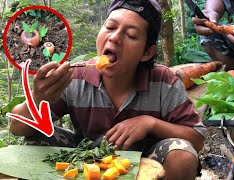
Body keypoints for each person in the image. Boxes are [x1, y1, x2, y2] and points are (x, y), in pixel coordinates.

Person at [9, 0, 205, 179]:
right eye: (110, 27)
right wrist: (37, 98)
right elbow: (17, 128)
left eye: (131, 35)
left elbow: (197, 139)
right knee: (34, 139)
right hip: (86, 159)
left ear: (147, 52)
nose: (115, 37)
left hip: (145, 162)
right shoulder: (73, 77)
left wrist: (150, 123)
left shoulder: (163, 82)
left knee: (182, 155)